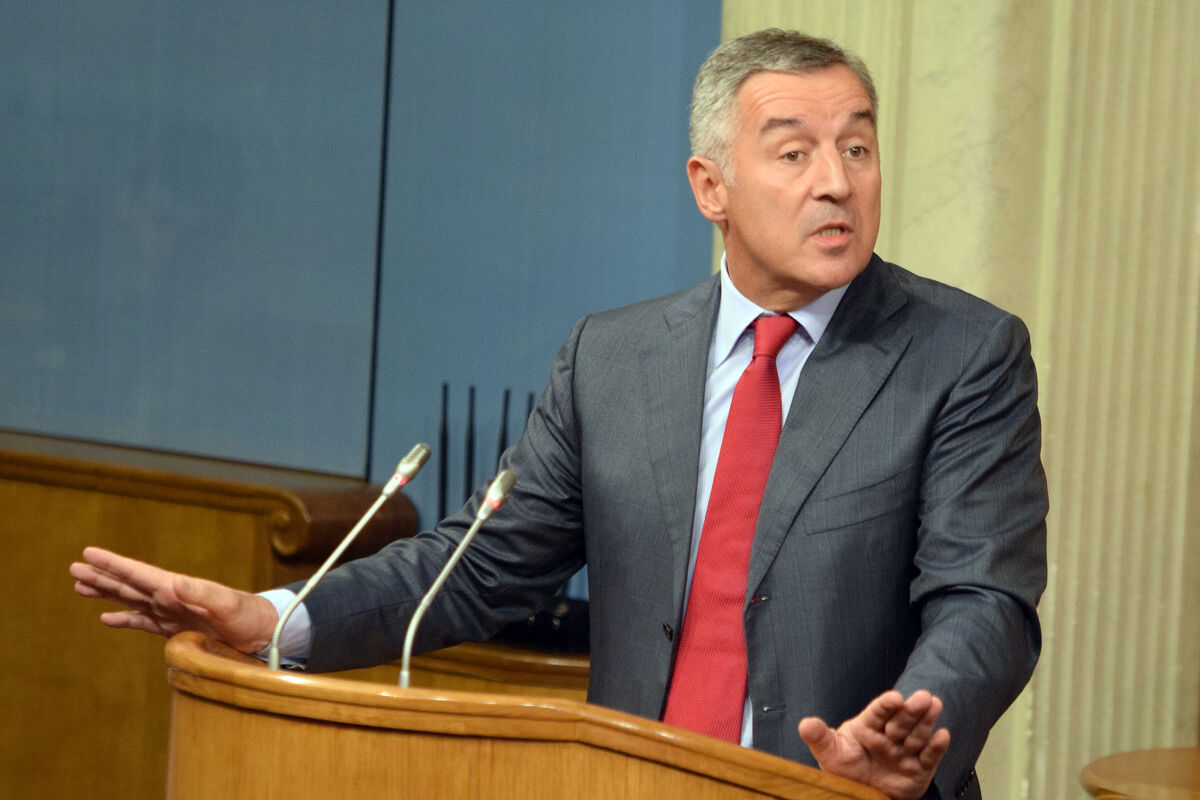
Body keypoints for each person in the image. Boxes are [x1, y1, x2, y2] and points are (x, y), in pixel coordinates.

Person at [71, 29, 1047, 800]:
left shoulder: (961, 355)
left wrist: (917, 724)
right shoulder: (614, 358)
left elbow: (984, 599)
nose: (837, 180)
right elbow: (483, 564)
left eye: (858, 148)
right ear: (711, 186)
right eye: (795, 152)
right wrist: (274, 617)